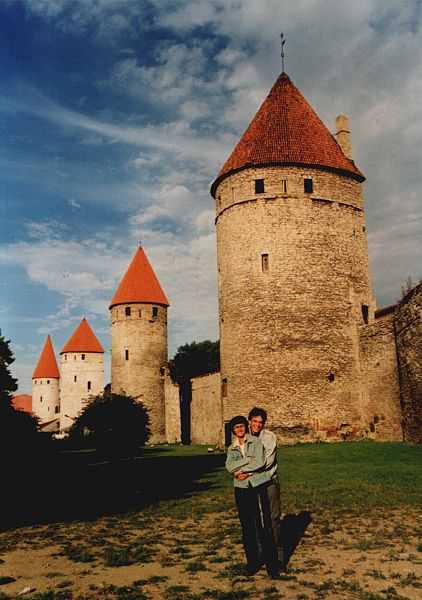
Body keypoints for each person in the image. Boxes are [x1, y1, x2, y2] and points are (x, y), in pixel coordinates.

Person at [225, 415, 280, 578]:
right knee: (247, 525)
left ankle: (272, 566)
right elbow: (229, 466)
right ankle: (252, 563)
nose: (240, 429)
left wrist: (243, 470)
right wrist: (240, 468)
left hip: (258, 485)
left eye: (242, 426)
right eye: (236, 427)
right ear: (233, 431)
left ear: (246, 427)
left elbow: (260, 462)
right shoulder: (231, 448)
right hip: (241, 487)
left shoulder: (255, 442)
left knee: (264, 523)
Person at [248, 406, 283, 569]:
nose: (257, 425)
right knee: (254, 519)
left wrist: (245, 469)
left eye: (260, 422)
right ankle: (259, 555)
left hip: (268, 481)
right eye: (254, 421)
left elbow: (266, 462)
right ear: (250, 421)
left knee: (273, 519)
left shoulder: (269, 438)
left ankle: (277, 558)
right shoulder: (244, 437)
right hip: (251, 483)